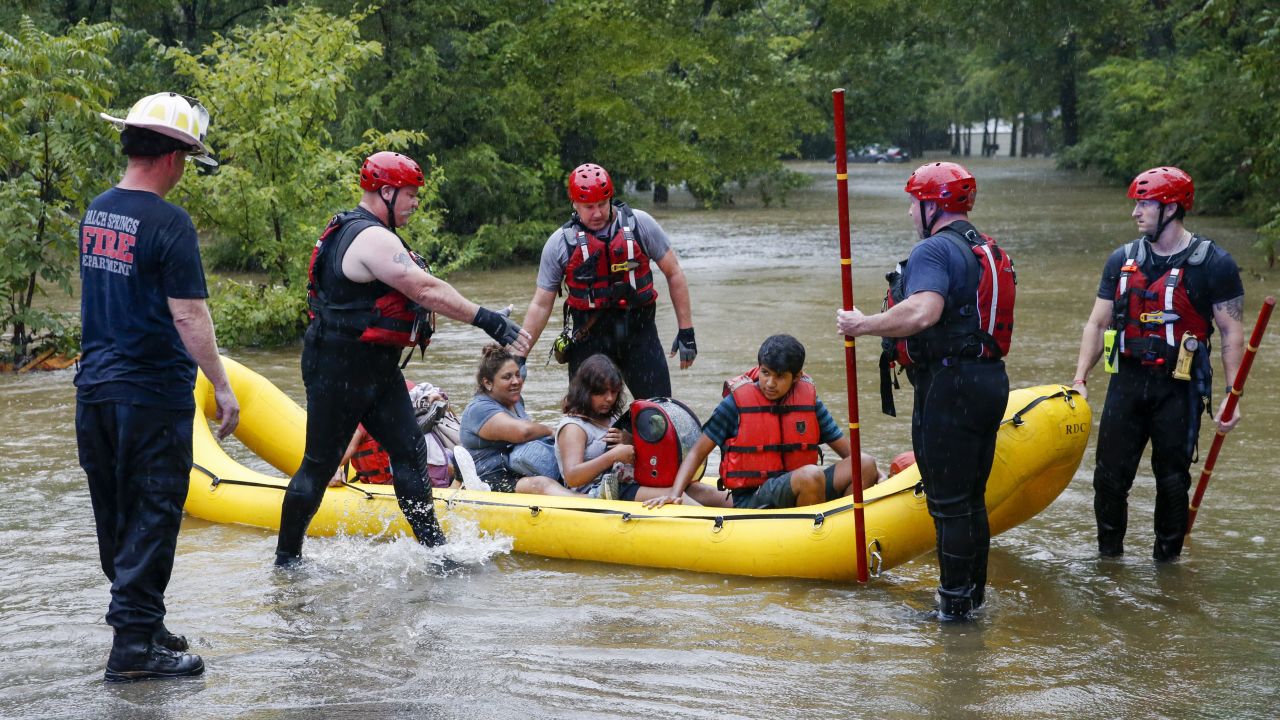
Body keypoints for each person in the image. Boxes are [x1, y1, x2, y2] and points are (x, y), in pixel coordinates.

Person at [275, 151, 531, 566]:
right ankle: (287, 560)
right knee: (319, 465)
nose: (415, 203)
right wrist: (485, 319)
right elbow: (423, 290)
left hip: (376, 368)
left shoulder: (378, 233)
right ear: (387, 191)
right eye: (411, 195)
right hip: (337, 366)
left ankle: (434, 549)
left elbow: (427, 285)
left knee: (409, 449)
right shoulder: (370, 237)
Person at [79, 91, 240, 681]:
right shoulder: (170, 222)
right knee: (152, 512)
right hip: (150, 394)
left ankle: (142, 623)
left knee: (117, 513)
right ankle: (132, 652)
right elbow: (190, 317)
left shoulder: (97, 210)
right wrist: (222, 387)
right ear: (174, 157)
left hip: (94, 390)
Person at [836, 162, 1013, 621]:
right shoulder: (986, 248)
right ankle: (973, 595)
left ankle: (953, 610)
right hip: (990, 380)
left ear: (933, 205)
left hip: (951, 385)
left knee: (949, 503)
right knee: (972, 498)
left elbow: (922, 312)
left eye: (915, 202)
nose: (911, 211)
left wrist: (864, 324)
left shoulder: (933, 250)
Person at [1071, 166, 1244, 561]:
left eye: (1145, 203)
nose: (1136, 212)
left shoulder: (1213, 263)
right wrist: (1080, 377)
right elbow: (1097, 323)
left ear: (1172, 208)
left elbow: (1232, 333)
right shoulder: (1122, 260)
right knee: (1109, 480)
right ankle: (1109, 560)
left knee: (1171, 483)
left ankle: (1167, 568)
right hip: (1127, 383)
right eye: (1136, 203)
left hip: (1178, 387)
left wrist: (1233, 394)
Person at [518, 162, 696, 400]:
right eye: (588, 206)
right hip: (590, 339)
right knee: (585, 420)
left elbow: (674, 273)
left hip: (640, 334)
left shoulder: (640, 225)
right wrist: (519, 355)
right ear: (574, 204)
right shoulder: (560, 243)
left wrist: (686, 331)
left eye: (602, 204)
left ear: (611, 198)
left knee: (657, 414)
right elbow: (541, 304)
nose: (597, 213)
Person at [643, 335, 879, 511]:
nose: (770, 383)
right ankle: (808, 536)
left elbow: (850, 455)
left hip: (807, 486)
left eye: (780, 376)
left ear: (796, 377)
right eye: (766, 373)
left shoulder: (809, 401)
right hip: (755, 496)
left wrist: (879, 476)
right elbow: (697, 452)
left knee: (866, 463)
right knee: (810, 475)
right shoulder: (736, 404)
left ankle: (843, 525)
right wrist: (675, 493)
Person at [555, 353, 713, 504]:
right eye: (601, 392)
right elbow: (572, 477)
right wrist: (613, 456)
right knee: (677, 496)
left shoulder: (612, 419)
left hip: (627, 481)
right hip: (598, 492)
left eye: (614, 392)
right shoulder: (573, 427)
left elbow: (634, 454)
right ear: (585, 391)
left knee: (699, 491)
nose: (609, 398)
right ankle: (718, 529)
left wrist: (629, 440)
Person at [459, 344, 577, 496]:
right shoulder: (479, 409)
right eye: (507, 377)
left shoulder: (514, 400)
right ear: (487, 383)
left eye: (517, 374)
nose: (516, 381)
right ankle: (590, 502)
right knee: (541, 484)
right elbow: (523, 432)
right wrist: (552, 431)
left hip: (516, 471)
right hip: (488, 479)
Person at [329, 381, 458, 489]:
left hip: (413, 473)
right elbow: (346, 448)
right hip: (392, 483)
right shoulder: (362, 413)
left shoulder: (407, 389)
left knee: (443, 458)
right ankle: (459, 478)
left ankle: (460, 478)